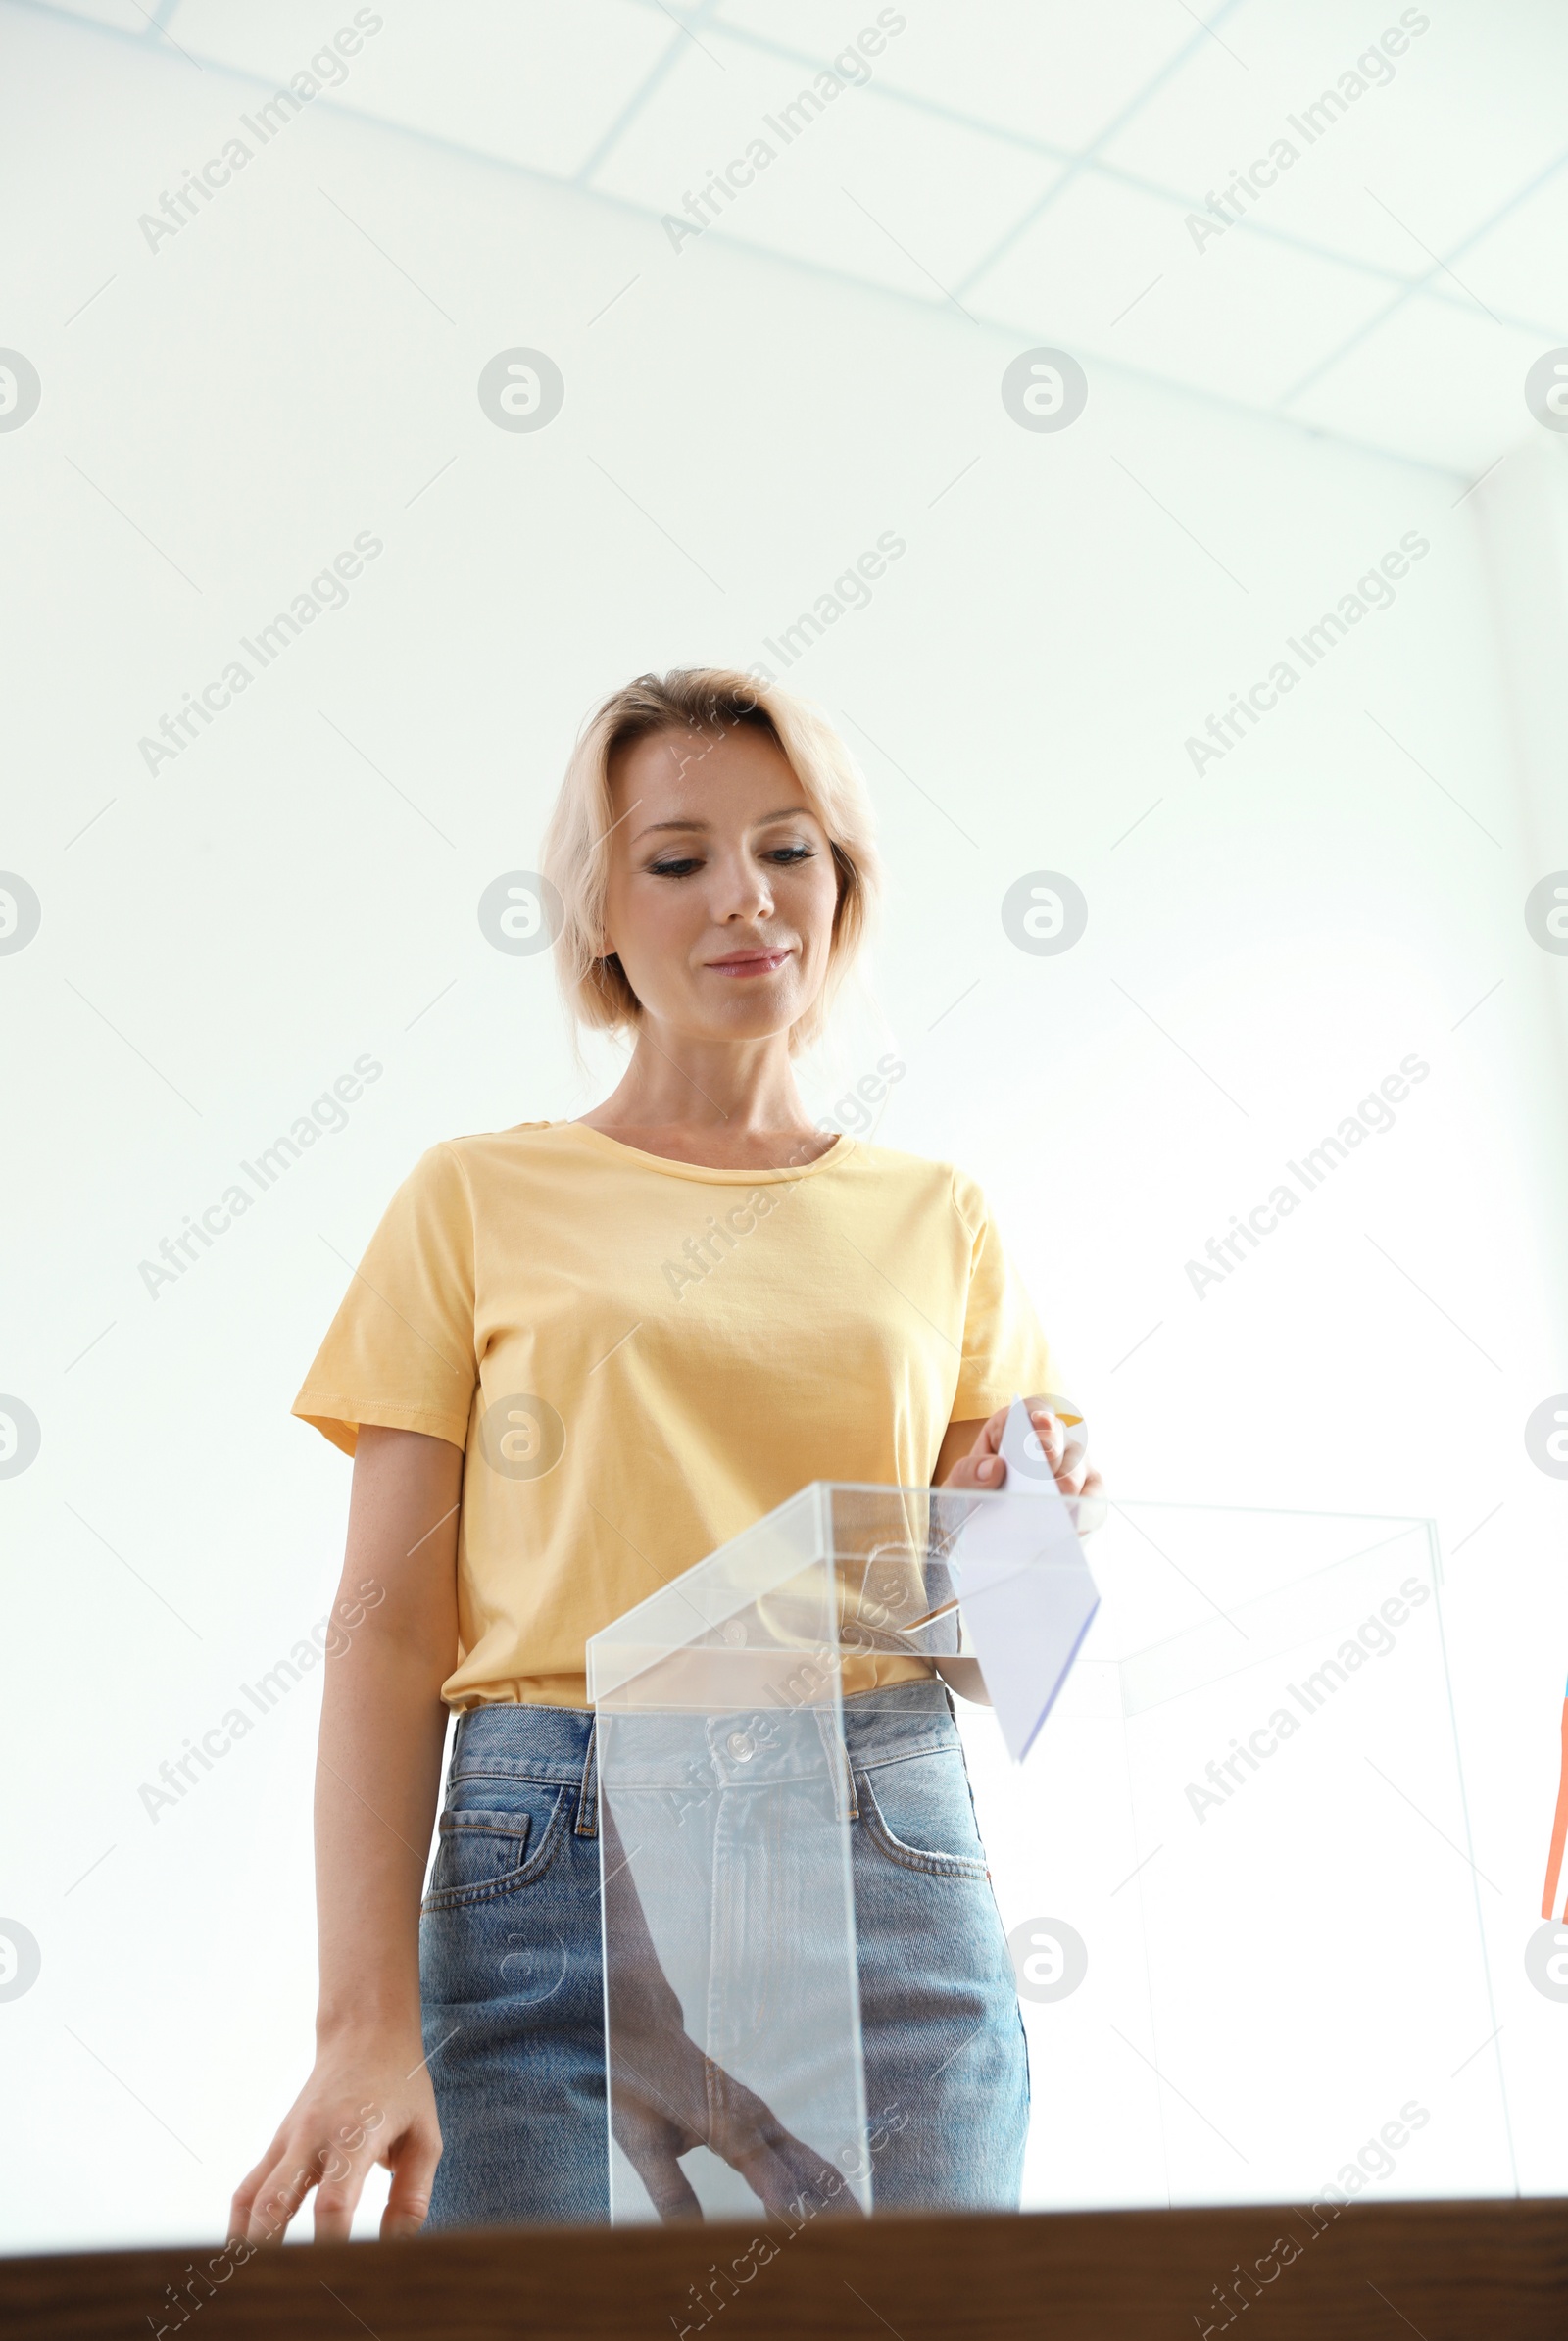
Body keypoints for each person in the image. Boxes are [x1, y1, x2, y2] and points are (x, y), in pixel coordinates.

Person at [228, 666, 1100, 2246]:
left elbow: (994, 1656)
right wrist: (359, 2020)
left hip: (881, 1847)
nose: (747, 898)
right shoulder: (476, 1199)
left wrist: (1024, 1537)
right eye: (679, 858)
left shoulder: (939, 1217)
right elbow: (388, 1624)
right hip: (550, 1866)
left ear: (844, 881)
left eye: (791, 847)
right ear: (598, 917)